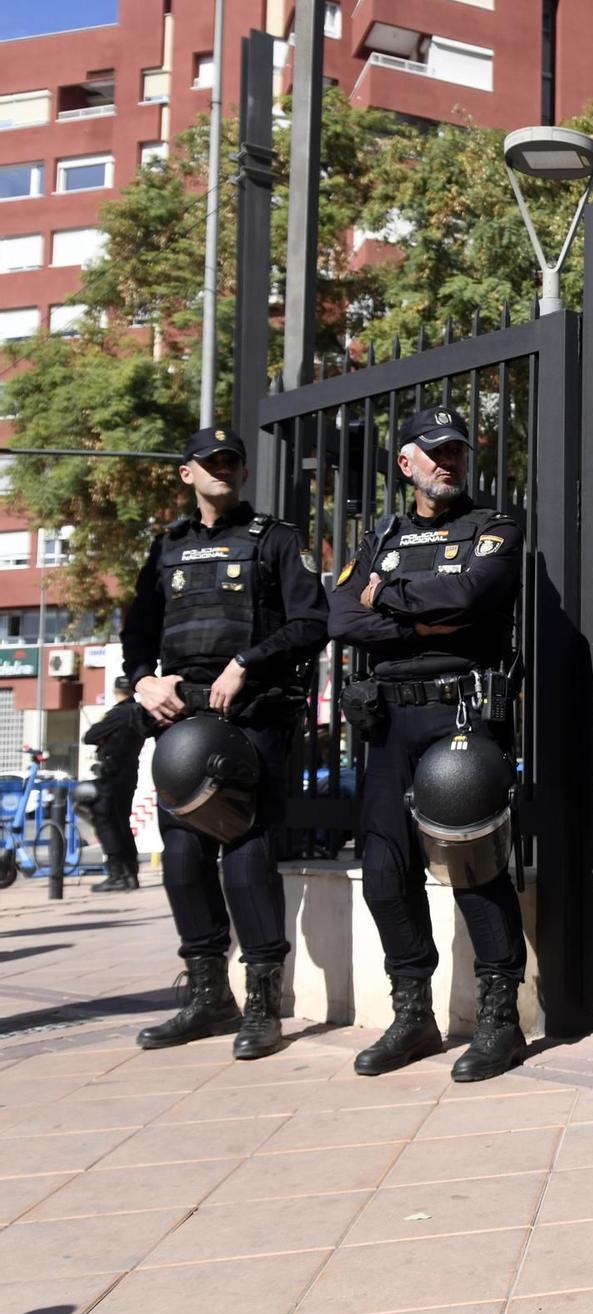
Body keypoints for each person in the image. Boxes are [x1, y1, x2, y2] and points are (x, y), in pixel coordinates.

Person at [329, 407, 528, 1083]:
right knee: (385, 873)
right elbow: (343, 616)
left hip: (463, 714)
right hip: (389, 723)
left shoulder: (494, 526)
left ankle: (501, 1022)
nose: (449, 462)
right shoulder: (381, 535)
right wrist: (423, 617)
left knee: (472, 865)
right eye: (434, 452)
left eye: (458, 452)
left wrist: (393, 599)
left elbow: (472, 598)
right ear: (406, 462)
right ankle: (412, 1016)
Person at [123, 426, 330, 1058]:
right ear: (187, 474)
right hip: (180, 719)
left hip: (253, 714)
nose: (222, 469)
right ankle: (209, 996)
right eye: (210, 462)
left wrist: (247, 663)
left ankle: (263, 1001)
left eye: (231, 461)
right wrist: (141, 683)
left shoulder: (274, 540)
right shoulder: (166, 547)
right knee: (183, 857)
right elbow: (137, 633)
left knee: (245, 850)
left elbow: (312, 623)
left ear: (241, 473)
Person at [83, 676, 145, 892]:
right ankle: (130, 874)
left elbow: (90, 736)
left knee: (105, 821)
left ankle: (117, 874)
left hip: (112, 776)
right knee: (121, 824)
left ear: (115, 690)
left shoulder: (119, 713)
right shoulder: (138, 712)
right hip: (128, 775)